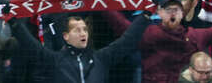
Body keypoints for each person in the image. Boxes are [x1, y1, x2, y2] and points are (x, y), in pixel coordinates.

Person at [10, 11, 151, 83]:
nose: (83, 33)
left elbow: (127, 41)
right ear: (66, 36)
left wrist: (145, 16)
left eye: (85, 29)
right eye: (77, 30)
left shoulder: (101, 58)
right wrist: (13, 22)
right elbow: (31, 44)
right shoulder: (55, 60)